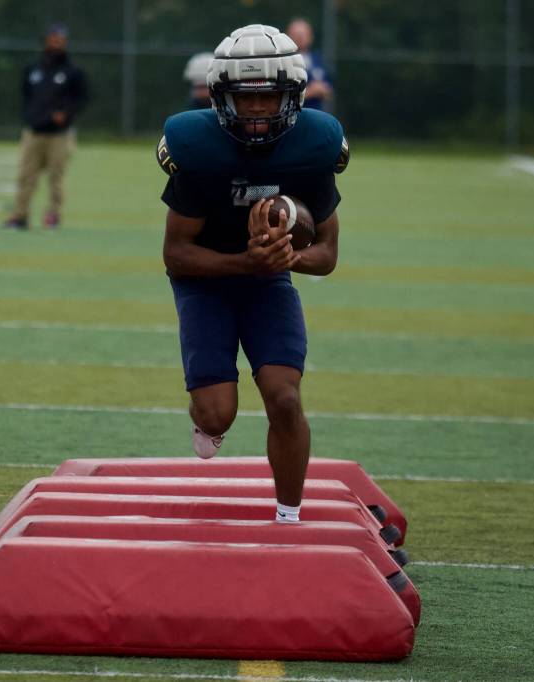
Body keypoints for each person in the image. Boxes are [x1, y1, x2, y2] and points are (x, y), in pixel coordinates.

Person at [156, 24, 350, 524]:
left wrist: (287, 260)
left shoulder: (313, 147)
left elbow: (327, 253)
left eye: (270, 98)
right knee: (216, 412)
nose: (260, 111)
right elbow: (177, 253)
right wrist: (246, 261)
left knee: (284, 398)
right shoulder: (199, 150)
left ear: (294, 96)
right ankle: (210, 420)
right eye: (246, 99)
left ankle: (289, 516)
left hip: (268, 281)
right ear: (221, 98)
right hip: (205, 282)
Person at [5, 23, 89, 230]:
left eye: (60, 39)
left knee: (56, 177)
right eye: (53, 38)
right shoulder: (33, 69)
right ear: (46, 40)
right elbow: (25, 95)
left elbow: (82, 98)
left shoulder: (73, 71)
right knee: (26, 175)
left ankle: (53, 215)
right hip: (33, 132)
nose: (56, 42)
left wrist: (66, 114)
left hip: (59, 135)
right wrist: (29, 116)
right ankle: (20, 215)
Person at [285, 18, 333, 111]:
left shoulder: (318, 60)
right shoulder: (282, 62)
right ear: (287, 36)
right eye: (296, 34)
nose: (300, 38)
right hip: (291, 115)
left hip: (317, 114)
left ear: (311, 37)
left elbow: (330, 91)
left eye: (303, 34)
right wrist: (310, 91)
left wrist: (323, 91)